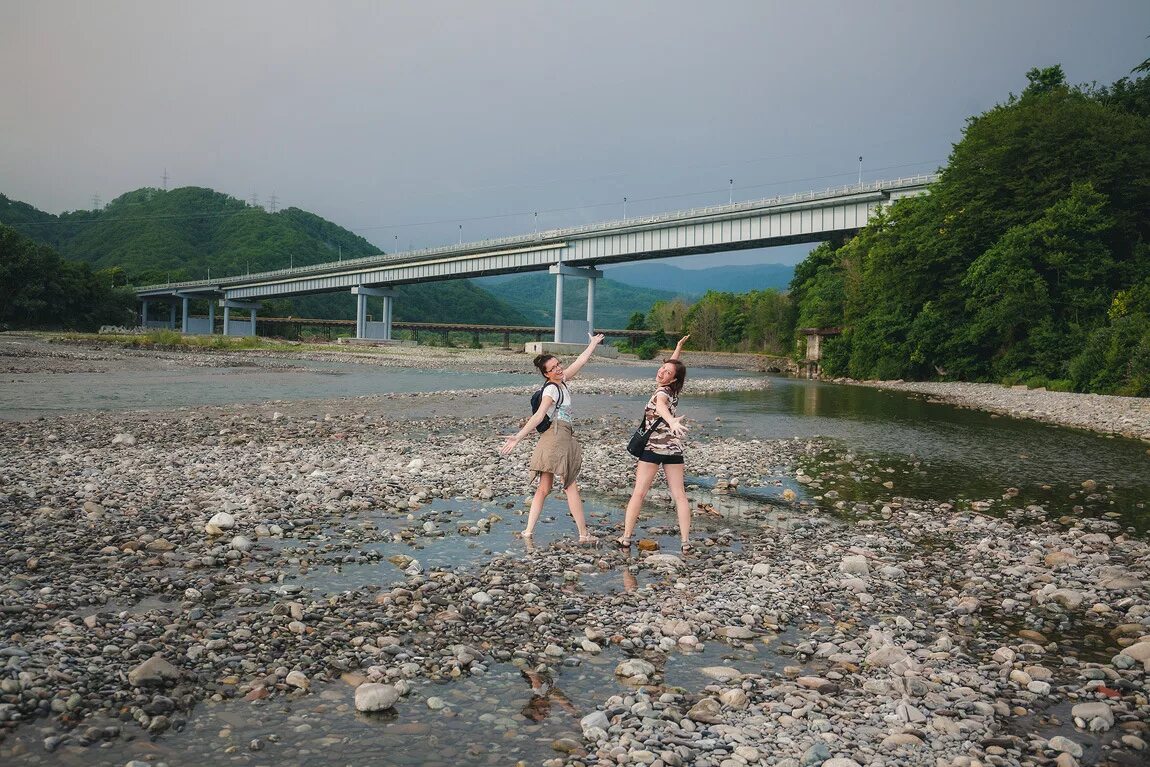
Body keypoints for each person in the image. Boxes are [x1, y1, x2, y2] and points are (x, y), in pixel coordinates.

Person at [500, 333, 605, 543]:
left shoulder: (562, 381)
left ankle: (528, 531)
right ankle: (583, 534)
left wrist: (592, 344)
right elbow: (539, 415)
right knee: (570, 484)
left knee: (544, 488)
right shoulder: (552, 389)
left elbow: (580, 361)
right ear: (546, 374)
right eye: (553, 368)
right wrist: (518, 437)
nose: (558, 368)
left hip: (555, 436)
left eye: (558, 364)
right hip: (557, 436)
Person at [617, 334, 692, 552]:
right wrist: (678, 349)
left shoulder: (661, 393)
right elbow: (673, 370)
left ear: (673, 379)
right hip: (673, 450)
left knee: (639, 493)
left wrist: (670, 420)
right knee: (679, 495)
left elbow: (660, 407)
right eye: (662, 368)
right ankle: (685, 542)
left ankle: (626, 537)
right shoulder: (672, 390)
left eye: (667, 372)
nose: (661, 372)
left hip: (652, 449)